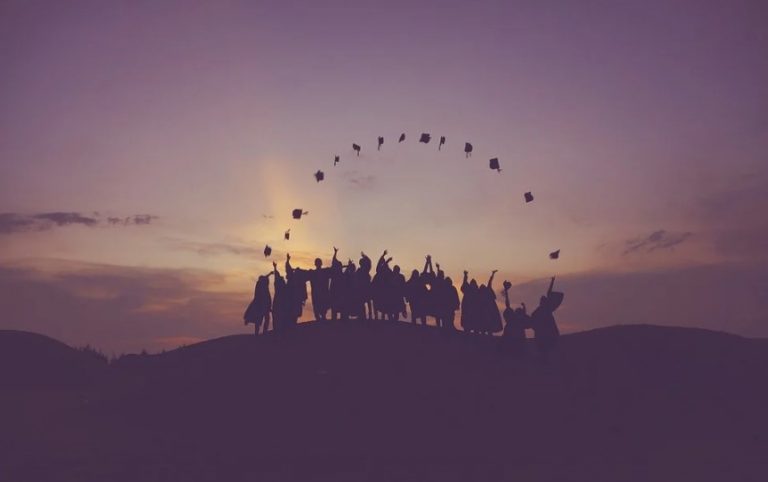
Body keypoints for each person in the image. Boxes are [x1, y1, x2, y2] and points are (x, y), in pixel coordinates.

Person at [531, 277, 562, 361]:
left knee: (547, 348)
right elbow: (533, 319)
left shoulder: (546, 309)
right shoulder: (541, 310)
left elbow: (549, 293)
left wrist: (552, 281)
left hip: (548, 331)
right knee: (544, 348)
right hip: (543, 332)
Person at [500, 281, 528, 357]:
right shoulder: (514, 318)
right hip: (512, 338)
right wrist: (506, 292)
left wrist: (524, 307)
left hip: (515, 338)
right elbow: (507, 304)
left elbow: (508, 305)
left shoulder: (517, 319)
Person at [309, 248, 335, 321]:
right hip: (317, 293)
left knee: (322, 305)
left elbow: (333, 269)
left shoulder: (322, 272)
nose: (318, 264)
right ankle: (319, 317)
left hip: (321, 293)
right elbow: (333, 269)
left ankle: (322, 316)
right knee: (318, 305)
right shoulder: (315, 273)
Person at [477, 270, 503, 335]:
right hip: (487, 312)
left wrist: (492, 274)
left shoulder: (484, 294)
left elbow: (489, 282)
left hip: (489, 311)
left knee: (488, 326)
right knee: (486, 326)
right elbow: (489, 282)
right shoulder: (482, 296)